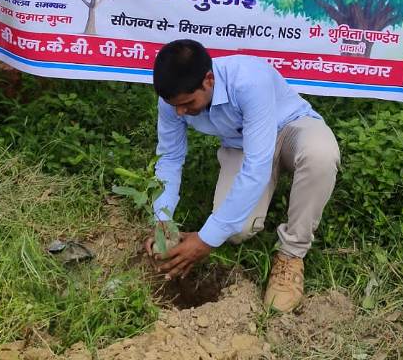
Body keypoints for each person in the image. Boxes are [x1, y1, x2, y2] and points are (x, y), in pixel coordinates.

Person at [146, 40, 341, 312]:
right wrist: (163, 221)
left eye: (188, 103)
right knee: (235, 229)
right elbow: (169, 158)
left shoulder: (248, 80)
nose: (180, 112)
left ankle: (291, 255)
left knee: (320, 154)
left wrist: (205, 240)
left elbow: (257, 166)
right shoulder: (172, 100)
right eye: (174, 105)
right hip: (243, 145)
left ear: (209, 80)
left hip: (290, 127)